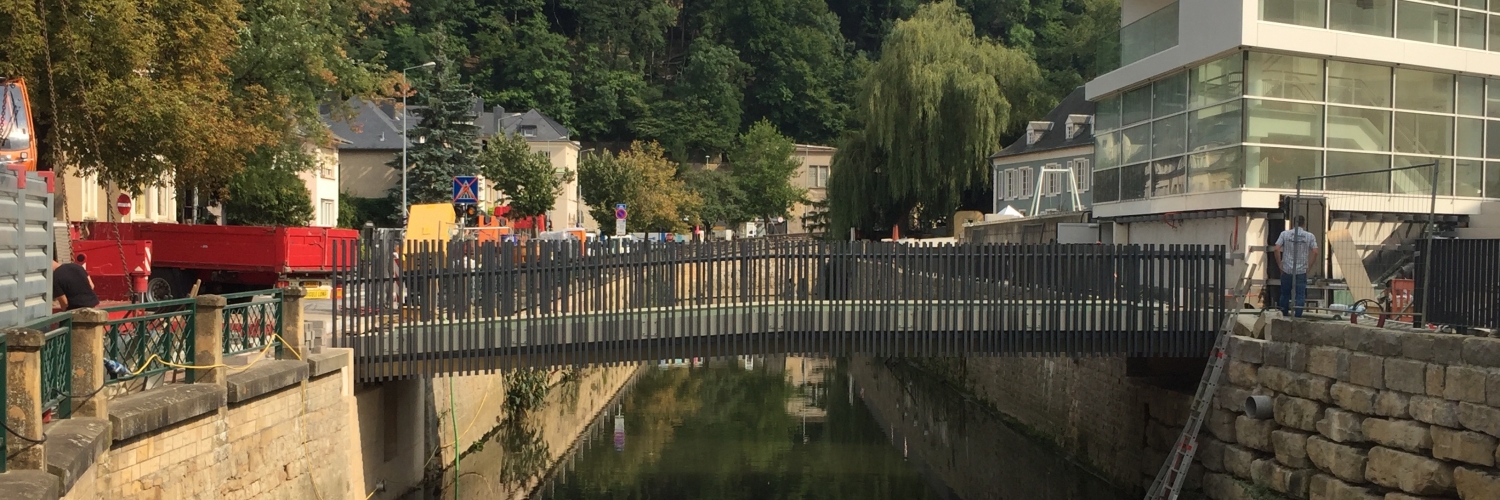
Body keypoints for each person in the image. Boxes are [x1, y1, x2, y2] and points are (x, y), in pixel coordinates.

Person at [1274, 215, 1319, 318]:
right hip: (1301, 270)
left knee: (1285, 294)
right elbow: (1315, 252)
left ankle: (1283, 315)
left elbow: (1276, 249)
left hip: (1287, 269)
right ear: (1304, 224)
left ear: (1293, 223)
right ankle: (1297, 316)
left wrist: (1280, 264)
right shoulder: (1310, 236)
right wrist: (1309, 266)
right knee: (1300, 295)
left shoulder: (1284, 234)